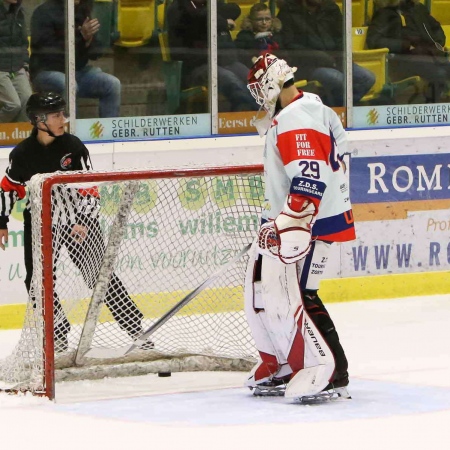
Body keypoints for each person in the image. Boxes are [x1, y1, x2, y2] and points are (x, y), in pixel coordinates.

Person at [0, 92, 152, 352]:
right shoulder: (22, 154)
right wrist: (1, 221)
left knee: (99, 276)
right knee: (37, 280)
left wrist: (82, 220)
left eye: (63, 113)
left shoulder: (74, 146)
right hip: (41, 226)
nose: (63, 119)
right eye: (56, 115)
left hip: (80, 222)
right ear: (39, 120)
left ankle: (136, 328)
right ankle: (57, 334)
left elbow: (90, 188)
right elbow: (8, 188)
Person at [243, 54, 354, 400]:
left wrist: (290, 224)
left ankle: (333, 369)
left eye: (262, 89)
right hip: (310, 218)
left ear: (273, 85)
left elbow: (309, 178)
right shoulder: (312, 107)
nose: (260, 98)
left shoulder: (294, 118)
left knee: (301, 296)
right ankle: (288, 361)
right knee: (267, 293)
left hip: (310, 224)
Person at [30, 0, 121, 118]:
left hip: (77, 72)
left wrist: (89, 40)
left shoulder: (82, 12)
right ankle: (67, 131)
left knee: (112, 84)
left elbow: (96, 54)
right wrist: (81, 37)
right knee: (68, 84)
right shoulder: (43, 12)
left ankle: (109, 133)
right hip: (46, 72)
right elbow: (48, 53)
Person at [277, 0, 375, 106]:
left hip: (335, 60)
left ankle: (337, 108)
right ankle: (334, 109)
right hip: (306, 65)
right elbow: (290, 46)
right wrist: (320, 57)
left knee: (367, 78)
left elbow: (341, 38)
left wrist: (339, 57)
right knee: (337, 79)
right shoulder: (288, 11)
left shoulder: (331, 8)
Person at [167, 0, 258, 112]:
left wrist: (215, 18)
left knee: (252, 79)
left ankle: (260, 117)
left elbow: (234, 9)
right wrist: (222, 23)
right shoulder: (178, 8)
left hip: (220, 62)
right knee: (231, 81)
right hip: (195, 67)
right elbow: (196, 21)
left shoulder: (208, 4)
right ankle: (244, 117)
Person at [367, 0, 450, 103]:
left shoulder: (418, 8)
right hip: (403, 59)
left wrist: (437, 43)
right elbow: (374, 40)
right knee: (439, 74)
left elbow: (436, 28)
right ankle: (431, 107)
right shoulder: (385, 13)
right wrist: (404, 45)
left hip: (429, 54)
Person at [0, 0, 32, 123]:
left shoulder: (19, 12)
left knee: (27, 102)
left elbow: (23, 43)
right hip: (0, 69)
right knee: (13, 105)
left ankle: (19, 136)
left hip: (17, 66)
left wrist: (25, 66)